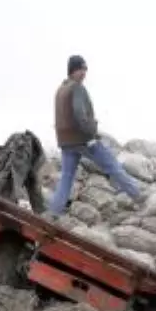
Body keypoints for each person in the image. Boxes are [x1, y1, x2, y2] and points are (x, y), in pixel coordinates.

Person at [46, 55, 142, 220]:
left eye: (85, 70)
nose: (84, 73)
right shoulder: (76, 88)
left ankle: (55, 211)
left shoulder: (60, 90)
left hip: (65, 141)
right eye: (80, 69)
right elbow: (79, 114)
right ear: (72, 70)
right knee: (112, 165)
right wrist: (92, 132)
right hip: (83, 139)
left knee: (67, 177)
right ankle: (138, 195)